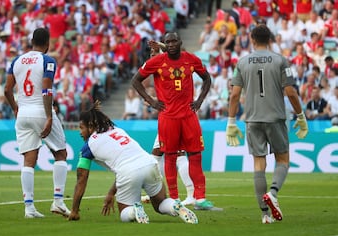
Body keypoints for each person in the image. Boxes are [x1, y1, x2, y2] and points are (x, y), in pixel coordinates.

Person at [226, 24, 308, 224]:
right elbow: (290, 92)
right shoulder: (280, 60)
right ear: (270, 39)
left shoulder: (242, 62)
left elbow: (235, 94)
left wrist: (231, 121)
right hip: (275, 117)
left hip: (252, 119)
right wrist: (300, 115)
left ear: (252, 39)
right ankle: (273, 192)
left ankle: (264, 215)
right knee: (283, 159)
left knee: (258, 163)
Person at [67, 101, 198, 224]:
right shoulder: (117, 130)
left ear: (90, 126)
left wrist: (74, 211)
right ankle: (174, 206)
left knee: (124, 212)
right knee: (160, 204)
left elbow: (81, 180)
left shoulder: (88, 147)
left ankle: (134, 211)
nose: (80, 132)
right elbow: (125, 163)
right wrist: (111, 193)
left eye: (81, 128)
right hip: (149, 163)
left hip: (128, 172)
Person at [131, 31, 214, 210]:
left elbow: (207, 78)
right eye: (167, 42)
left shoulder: (191, 59)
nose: (171, 44)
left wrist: (199, 100)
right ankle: (175, 198)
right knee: (170, 157)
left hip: (188, 116)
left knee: (195, 155)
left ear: (180, 42)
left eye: (174, 41)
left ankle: (200, 198)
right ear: (165, 44)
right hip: (168, 117)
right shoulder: (156, 62)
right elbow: (136, 80)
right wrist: (151, 101)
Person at [4, 28, 71, 218]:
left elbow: (7, 90)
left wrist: (16, 108)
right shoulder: (47, 61)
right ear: (48, 43)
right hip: (40, 111)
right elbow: (46, 90)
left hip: (23, 113)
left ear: (31, 41)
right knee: (61, 153)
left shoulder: (17, 61)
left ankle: (29, 208)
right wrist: (49, 116)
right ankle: (58, 202)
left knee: (28, 161)